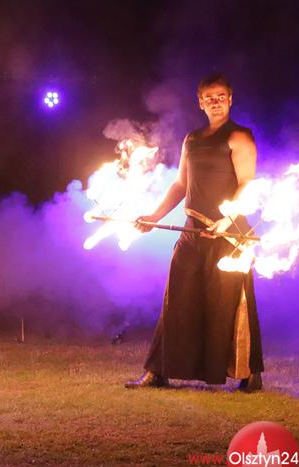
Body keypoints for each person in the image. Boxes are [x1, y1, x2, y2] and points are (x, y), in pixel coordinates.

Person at [125, 74, 264, 392]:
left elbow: (247, 183)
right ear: (200, 102)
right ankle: (157, 371)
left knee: (230, 299)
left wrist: (227, 219)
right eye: (209, 98)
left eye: (221, 96)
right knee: (178, 296)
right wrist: (153, 217)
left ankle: (250, 374)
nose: (215, 102)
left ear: (230, 99)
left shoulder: (239, 136)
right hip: (193, 230)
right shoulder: (192, 139)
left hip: (228, 233)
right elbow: (180, 184)